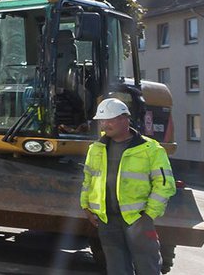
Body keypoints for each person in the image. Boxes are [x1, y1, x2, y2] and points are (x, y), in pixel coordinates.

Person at [80, 97, 177, 275]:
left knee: (147, 268)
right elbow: (88, 179)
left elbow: (165, 185)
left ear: (124, 119)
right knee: (116, 269)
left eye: (109, 120)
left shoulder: (151, 149)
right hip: (107, 221)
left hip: (138, 220)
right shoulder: (96, 149)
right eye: (102, 120)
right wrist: (86, 206)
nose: (104, 125)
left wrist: (148, 215)